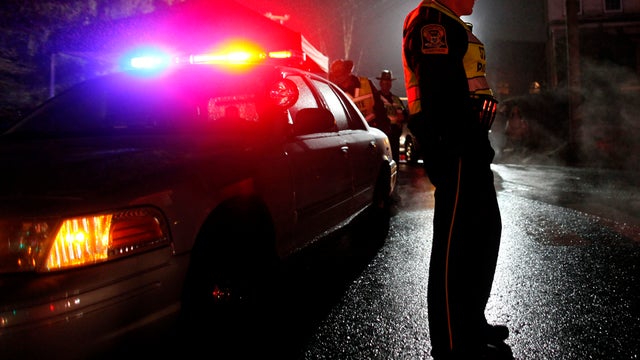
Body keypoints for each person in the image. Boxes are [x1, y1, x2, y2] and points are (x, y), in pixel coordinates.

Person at [402, 1, 511, 359]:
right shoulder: (431, 22)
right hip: (455, 142)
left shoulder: (451, 21)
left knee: (483, 232)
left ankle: (471, 322)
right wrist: (459, 139)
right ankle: (451, 340)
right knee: (456, 243)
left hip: (470, 141)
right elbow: (440, 91)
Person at [329, 59, 389, 135]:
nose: (339, 78)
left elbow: (380, 106)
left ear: (348, 72)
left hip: (373, 129)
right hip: (352, 133)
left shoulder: (366, 83)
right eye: (336, 75)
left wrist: (384, 126)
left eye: (341, 74)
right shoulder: (336, 92)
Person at [376, 70, 408, 164]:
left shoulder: (396, 99)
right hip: (381, 133)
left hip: (394, 134)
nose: (387, 84)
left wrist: (403, 117)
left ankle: (394, 178)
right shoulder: (376, 97)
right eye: (384, 82)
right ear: (381, 83)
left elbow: (404, 115)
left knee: (394, 161)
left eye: (388, 82)